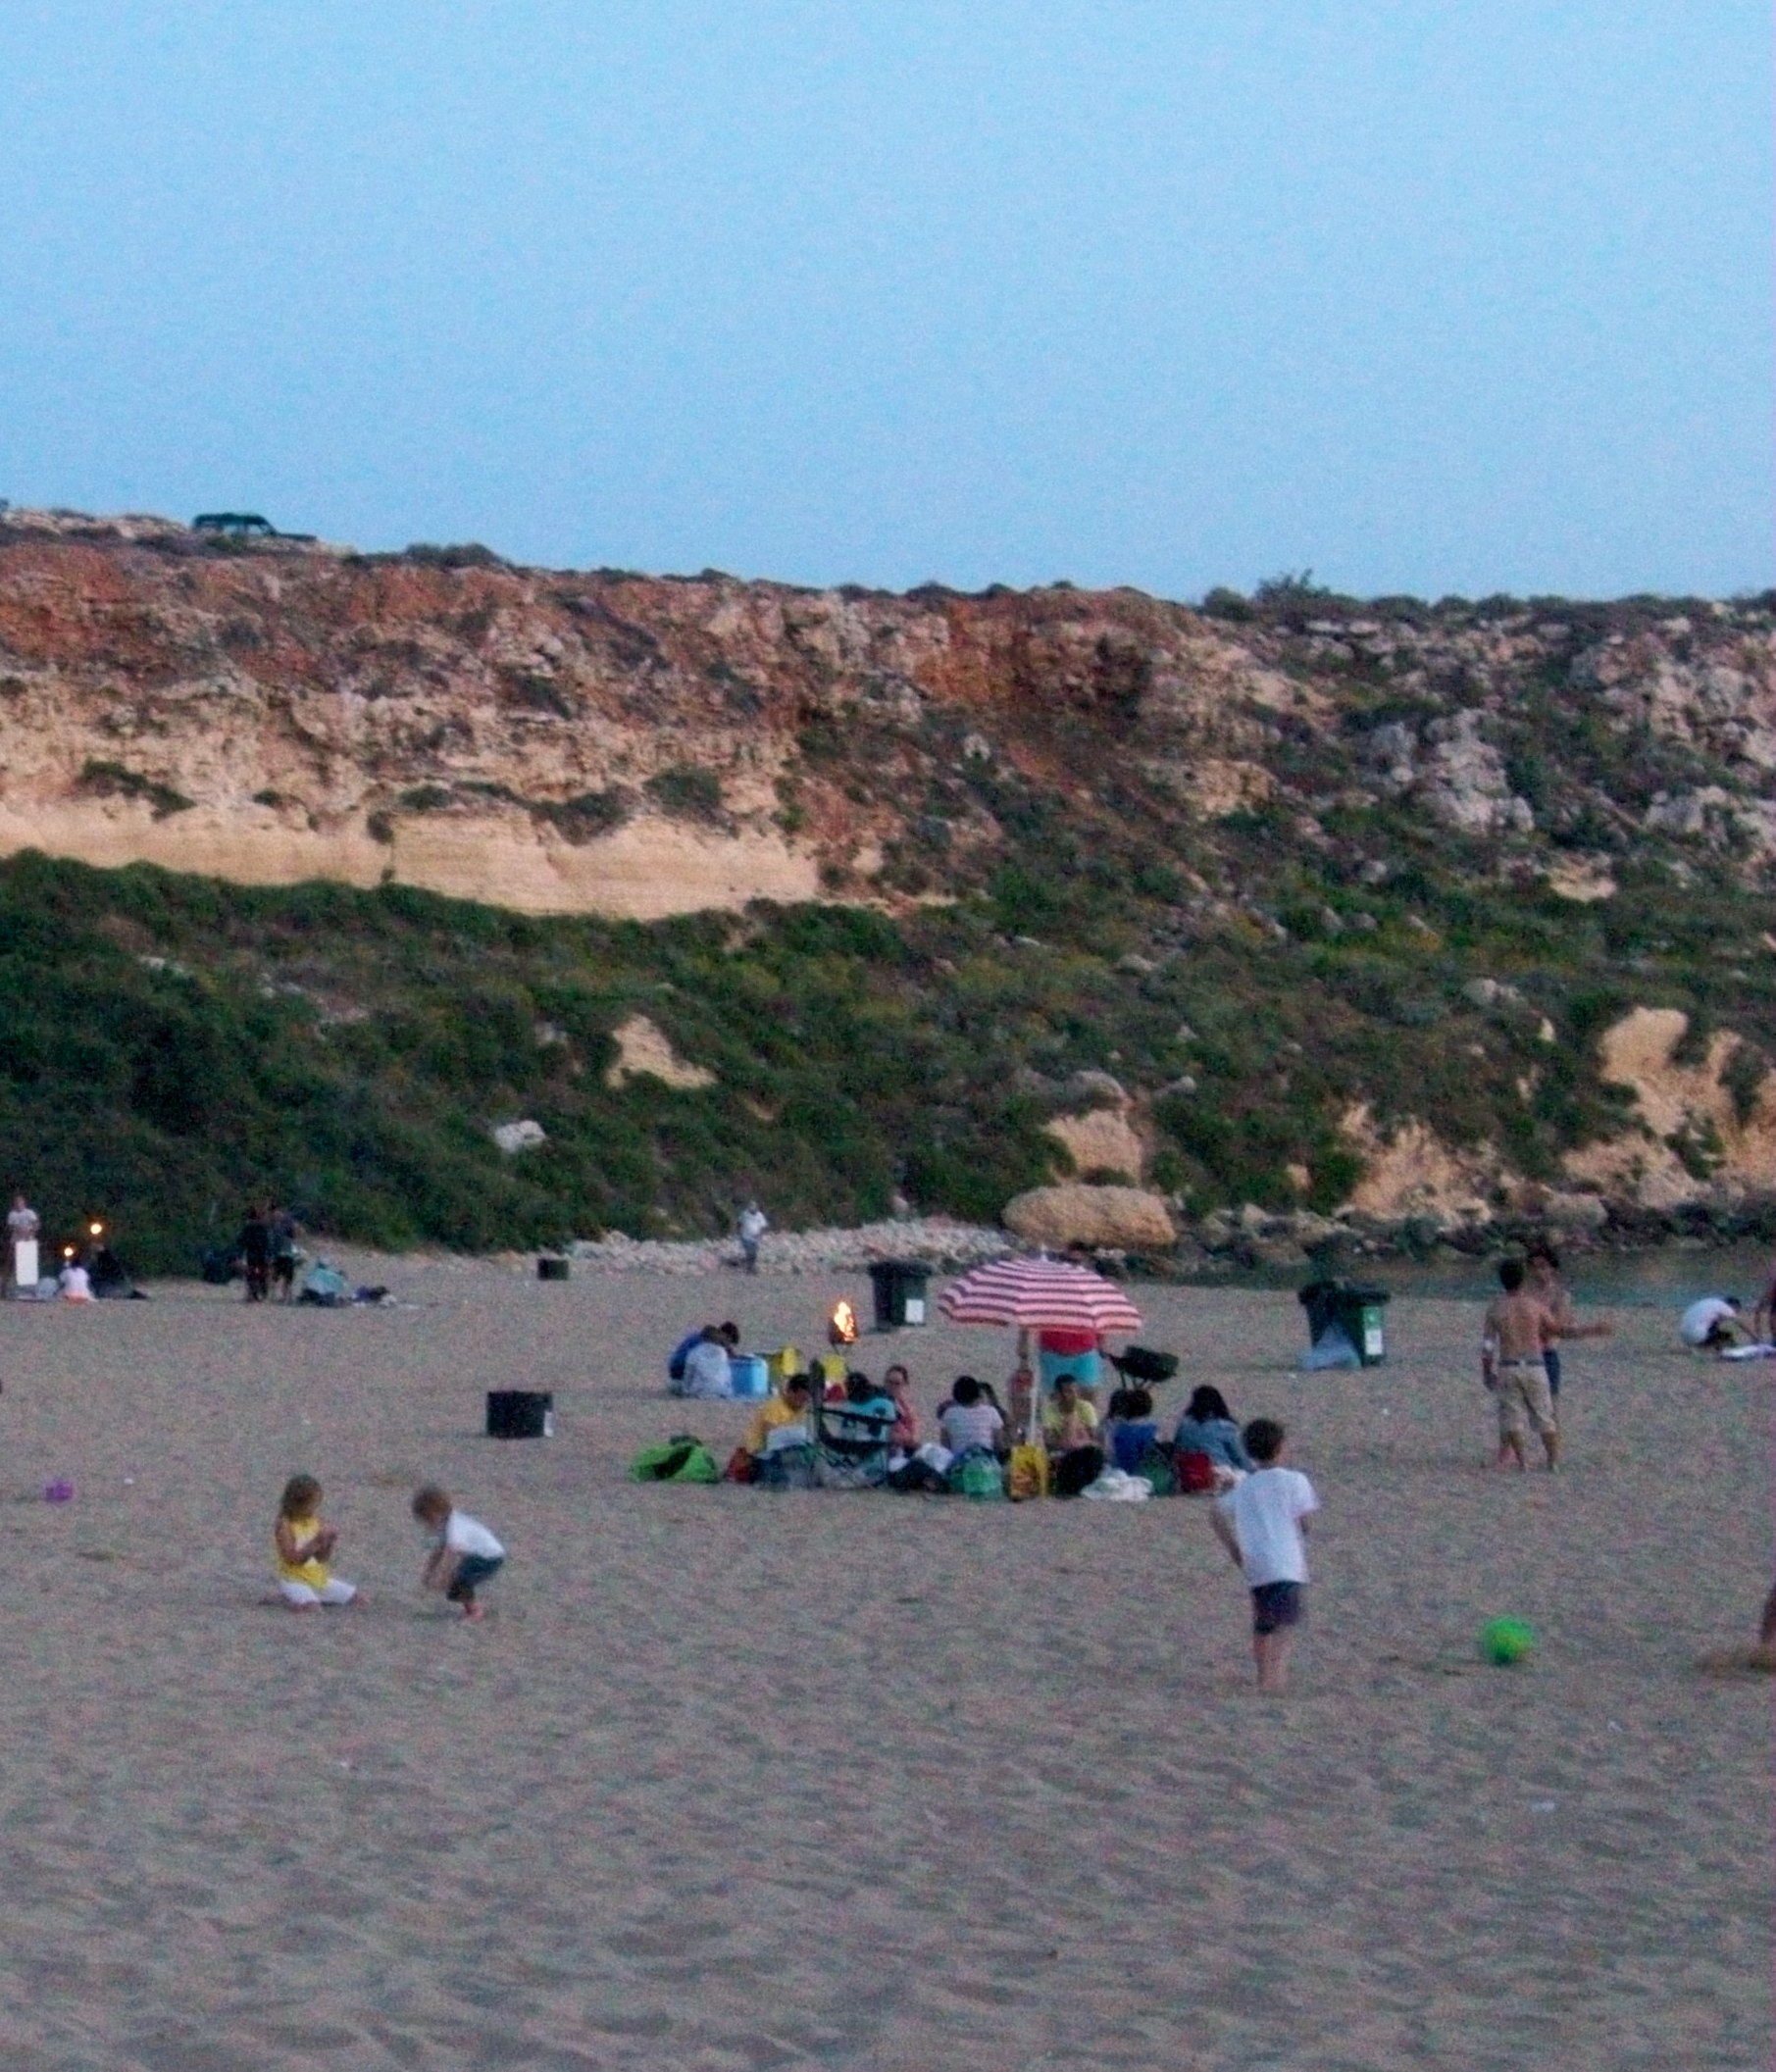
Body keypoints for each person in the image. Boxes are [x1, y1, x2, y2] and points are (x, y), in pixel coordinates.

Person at [1210, 1417, 1318, 1694]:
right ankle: (1275, 1676)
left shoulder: (1245, 1486)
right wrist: (1301, 1532)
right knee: (1285, 1624)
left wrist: (1233, 1548)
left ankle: (1262, 1675)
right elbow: (1304, 1521)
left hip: (1256, 1563)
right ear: (1281, 1447)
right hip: (1286, 1562)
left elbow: (1216, 1513)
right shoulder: (1296, 1480)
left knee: (1263, 1623)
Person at [1482, 1259, 1560, 1471]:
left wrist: (1487, 1370)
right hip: (1534, 1363)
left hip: (1509, 1364)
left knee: (1511, 1417)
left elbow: (1488, 1344)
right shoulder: (1534, 1305)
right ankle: (1552, 1461)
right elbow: (1554, 1329)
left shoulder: (1496, 1308)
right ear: (1523, 1279)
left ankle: (1523, 1461)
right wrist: (1587, 1330)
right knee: (1545, 1415)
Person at [1523, 1242, 1612, 1395]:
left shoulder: (1560, 1295)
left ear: (1552, 1268)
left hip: (1546, 1354)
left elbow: (1558, 1329)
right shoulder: (1525, 1294)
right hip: (1524, 1354)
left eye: (1542, 1267)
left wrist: (1589, 1330)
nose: (1538, 1272)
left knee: (1550, 1409)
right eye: (1534, 1267)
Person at [412, 1485, 506, 1620]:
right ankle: (470, 1609)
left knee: (460, 1579)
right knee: (457, 1581)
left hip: (490, 1557)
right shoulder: (447, 1525)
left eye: (428, 1520)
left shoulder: (455, 1526)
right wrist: (429, 1571)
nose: (428, 1525)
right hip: (478, 1555)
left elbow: (450, 1554)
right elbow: (440, 1550)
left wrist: (442, 1576)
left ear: (436, 1514)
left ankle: (476, 1611)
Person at [273, 1474, 357, 1610]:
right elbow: (291, 1558)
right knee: (312, 1608)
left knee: (357, 1599)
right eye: (312, 1504)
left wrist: (328, 1543)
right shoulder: (285, 1524)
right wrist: (316, 1541)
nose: (315, 1508)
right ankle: (285, 1598)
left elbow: (321, 1559)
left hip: (316, 1578)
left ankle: (303, 1597)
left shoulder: (315, 1521)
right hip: (294, 1580)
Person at [1041, 1374, 1105, 1496]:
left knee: (1093, 1455)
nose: (1072, 1395)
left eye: (1074, 1391)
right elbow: (1049, 1441)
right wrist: (1071, 1428)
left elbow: (1094, 1438)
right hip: (1062, 1454)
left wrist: (1074, 1437)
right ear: (1058, 1394)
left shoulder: (1086, 1407)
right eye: (1068, 1391)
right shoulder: (1049, 1410)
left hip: (1084, 1451)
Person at [1173, 1385, 1254, 1480]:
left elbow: (1178, 1447)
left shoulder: (1184, 1424)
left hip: (1188, 1474)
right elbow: (1240, 1456)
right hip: (1217, 1473)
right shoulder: (1225, 1427)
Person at [742, 1374, 814, 1460]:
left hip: (783, 1447)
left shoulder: (800, 1408)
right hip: (760, 1449)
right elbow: (770, 1435)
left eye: (805, 1400)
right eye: (800, 1399)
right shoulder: (774, 1406)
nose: (803, 1403)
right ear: (790, 1392)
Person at [937, 1375, 1005, 1458]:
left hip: (960, 1465)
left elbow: (945, 1448)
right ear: (978, 1393)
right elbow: (998, 1445)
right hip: (986, 1463)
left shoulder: (949, 1414)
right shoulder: (991, 1412)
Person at [1102, 1386, 1159, 1476]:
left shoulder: (1117, 1428)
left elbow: (1109, 1452)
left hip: (1118, 1471)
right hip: (1141, 1473)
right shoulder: (1153, 1429)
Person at [673, 1324, 735, 1398]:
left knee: (673, 1385)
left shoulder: (695, 1351)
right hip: (720, 1390)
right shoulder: (722, 1352)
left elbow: (689, 1373)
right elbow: (727, 1374)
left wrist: (686, 1391)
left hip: (700, 1390)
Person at [1679, 1294, 1749, 1351]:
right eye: (1737, 1310)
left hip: (1684, 1336)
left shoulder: (1712, 1303)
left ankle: (1702, 1346)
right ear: (1734, 1306)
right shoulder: (1726, 1307)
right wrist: (1755, 1338)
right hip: (1696, 1335)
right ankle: (1729, 1349)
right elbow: (1741, 1324)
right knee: (1726, 1336)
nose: (1736, 1313)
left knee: (1714, 1327)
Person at [6, 1192, 40, 1297]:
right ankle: (15, 1288)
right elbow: (12, 1227)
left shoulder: (29, 1213)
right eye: (16, 1202)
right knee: (16, 1263)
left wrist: (30, 1233)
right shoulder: (12, 1214)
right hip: (17, 1241)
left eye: (20, 1202)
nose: (18, 1204)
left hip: (29, 1240)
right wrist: (22, 1233)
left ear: (23, 1203)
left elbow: (36, 1224)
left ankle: (30, 1289)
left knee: (29, 1264)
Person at [239, 1203, 273, 1303]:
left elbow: (242, 1241)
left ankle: (251, 1294)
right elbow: (267, 1242)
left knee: (250, 1275)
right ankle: (262, 1293)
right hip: (262, 1254)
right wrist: (269, 1254)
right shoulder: (264, 1228)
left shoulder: (248, 1228)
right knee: (263, 1274)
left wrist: (240, 1252)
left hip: (251, 1254)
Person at [882, 1364, 919, 1448]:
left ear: (904, 1385)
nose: (892, 1387)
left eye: (897, 1384)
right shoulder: (878, 1402)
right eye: (889, 1382)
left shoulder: (906, 1406)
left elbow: (914, 1432)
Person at [270, 1206, 301, 1303]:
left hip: (286, 1253)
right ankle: (281, 1296)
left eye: (276, 1213)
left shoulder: (286, 1223)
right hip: (282, 1254)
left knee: (285, 1277)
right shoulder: (276, 1224)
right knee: (279, 1276)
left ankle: (285, 1297)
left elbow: (294, 1236)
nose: (275, 1216)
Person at [737, 1201, 768, 1274]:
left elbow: (763, 1226)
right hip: (746, 1237)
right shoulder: (744, 1214)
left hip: (755, 1238)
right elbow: (739, 1222)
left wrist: (760, 1234)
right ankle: (749, 1268)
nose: (753, 1210)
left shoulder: (760, 1215)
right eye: (751, 1208)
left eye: (754, 1208)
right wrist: (739, 1232)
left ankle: (752, 1266)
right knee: (749, 1252)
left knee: (754, 1253)